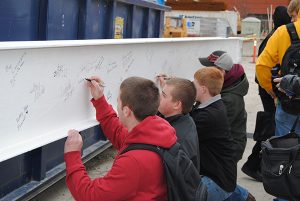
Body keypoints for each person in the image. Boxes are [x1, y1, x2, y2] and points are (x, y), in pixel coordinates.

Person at [64, 76, 177, 201]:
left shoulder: (134, 162)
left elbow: (90, 196)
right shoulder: (155, 132)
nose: (116, 106)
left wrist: (72, 154)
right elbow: (118, 133)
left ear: (126, 111)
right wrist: (100, 100)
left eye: (117, 102)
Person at [256, 1, 300, 200]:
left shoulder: (284, 32)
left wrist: (273, 93)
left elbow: (262, 66)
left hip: (290, 106)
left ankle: (285, 196)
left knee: (284, 155)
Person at [190, 67, 255, 201]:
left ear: (203, 89)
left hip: (216, 179)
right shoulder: (214, 105)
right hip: (223, 175)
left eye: (194, 84)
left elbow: (185, 128)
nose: (191, 87)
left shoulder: (207, 115)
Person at [242, 6, 291, 182]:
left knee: (272, 125)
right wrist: (271, 91)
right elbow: (262, 68)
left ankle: (256, 164)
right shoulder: (280, 36)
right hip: (271, 90)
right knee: (271, 126)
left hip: (269, 89)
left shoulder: (275, 34)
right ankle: (253, 164)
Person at [256, 0, 300, 139]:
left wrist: (271, 91)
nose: (292, 20)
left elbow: (261, 65)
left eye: (293, 16)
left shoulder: (283, 32)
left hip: (290, 101)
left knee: (285, 149)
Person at [199, 50, 249, 162]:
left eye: (208, 70)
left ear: (221, 72)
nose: (204, 72)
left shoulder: (229, 99)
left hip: (228, 150)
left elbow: (206, 123)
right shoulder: (227, 83)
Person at [156, 77, 200, 171]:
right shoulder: (184, 117)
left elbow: (180, 179)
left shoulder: (178, 140)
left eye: (163, 95)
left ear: (176, 105)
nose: (159, 96)